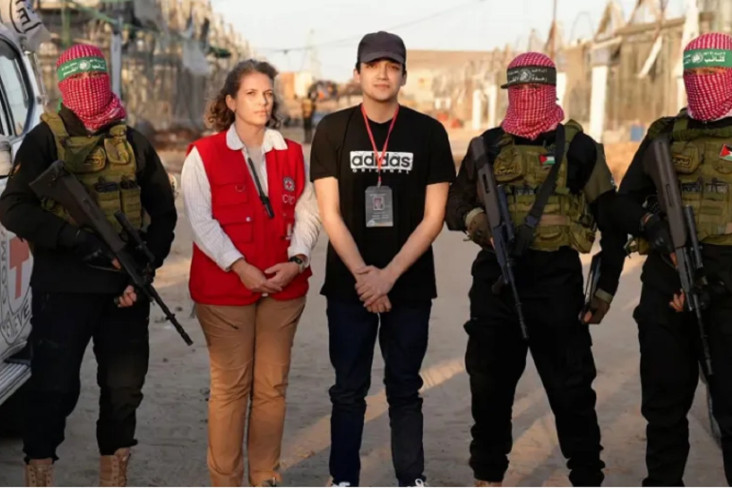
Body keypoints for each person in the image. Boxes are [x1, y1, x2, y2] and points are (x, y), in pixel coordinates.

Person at [445, 52, 625, 487]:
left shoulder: (579, 149)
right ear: (509, 93)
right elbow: (455, 204)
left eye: (536, 89)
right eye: (519, 90)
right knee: (488, 389)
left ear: (551, 92)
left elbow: (613, 222)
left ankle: (586, 477)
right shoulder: (486, 147)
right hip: (496, 282)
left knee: (572, 391)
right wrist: (476, 221)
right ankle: (488, 476)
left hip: (556, 282)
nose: (527, 98)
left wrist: (603, 291)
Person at [0, 44, 177, 487]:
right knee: (53, 389)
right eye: (77, 79)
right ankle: (40, 472)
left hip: (124, 291)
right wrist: (74, 238)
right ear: (63, 85)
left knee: (123, 392)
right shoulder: (44, 141)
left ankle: (113, 476)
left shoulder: (132, 142)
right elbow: (14, 207)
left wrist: (144, 269)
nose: (87, 87)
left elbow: (163, 213)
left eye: (94, 77)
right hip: (63, 289)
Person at [310, 31, 455, 487]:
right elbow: (330, 213)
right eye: (373, 66)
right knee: (348, 390)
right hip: (349, 284)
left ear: (404, 76)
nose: (383, 74)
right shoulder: (332, 130)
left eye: (392, 67)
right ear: (357, 73)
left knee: (405, 388)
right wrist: (364, 276)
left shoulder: (429, 133)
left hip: (408, 284)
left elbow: (433, 217)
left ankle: (411, 478)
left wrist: (388, 277)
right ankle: (344, 479)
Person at [181, 59, 320, 487]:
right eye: (251, 94)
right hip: (224, 290)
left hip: (283, 287)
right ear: (230, 101)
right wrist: (239, 266)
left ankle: (264, 476)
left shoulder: (291, 153)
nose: (262, 102)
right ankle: (226, 481)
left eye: (268, 94)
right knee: (230, 388)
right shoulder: (203, 155)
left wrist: (297, 260)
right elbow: (201, 221)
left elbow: (308, 210)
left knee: (272, 387)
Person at [611, 32, 732, 486]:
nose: (703, 83)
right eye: (694, 75)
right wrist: (651, 226)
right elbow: (623, 202)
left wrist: (719, 287)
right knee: (663, 410)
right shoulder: (664, 134)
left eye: (714, 73)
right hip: (667, 279)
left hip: (726, 286)